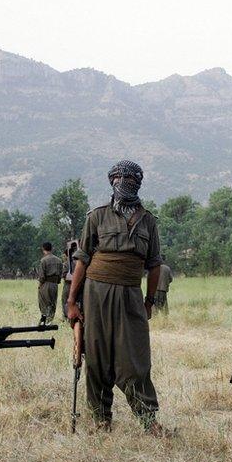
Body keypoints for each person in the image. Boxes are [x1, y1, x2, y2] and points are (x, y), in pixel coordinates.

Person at [66, 160, 170, 436]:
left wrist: (149, 302)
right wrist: (71, 301)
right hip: (96, 291)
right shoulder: (96, 217)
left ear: (138, 182)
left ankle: (148, 420)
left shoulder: (148, 220)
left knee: (135, 359)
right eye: (118, 177)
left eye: (130, 178)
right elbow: (82, 259)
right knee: (96, 355)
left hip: (131, 293)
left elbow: (155, 264)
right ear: (111, 181)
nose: (124, 182)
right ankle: (101, 419)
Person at [37, 242, 64, 325]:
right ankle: (50, 320)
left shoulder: (43, 260)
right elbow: (60, 274)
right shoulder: (59, 260)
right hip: (55, 284)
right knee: (53, 302)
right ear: (52, 249)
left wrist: (40, 285)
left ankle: (44, 320)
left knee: (43, 302)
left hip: (45, 284)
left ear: (43, 249)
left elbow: (42, 275)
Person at [61, 240, 78, 317]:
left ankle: (66, 316)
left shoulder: (66, 264)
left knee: (65, 301)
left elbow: (64, 275)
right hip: (77, 285)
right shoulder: (80, 263)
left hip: (69, 285)